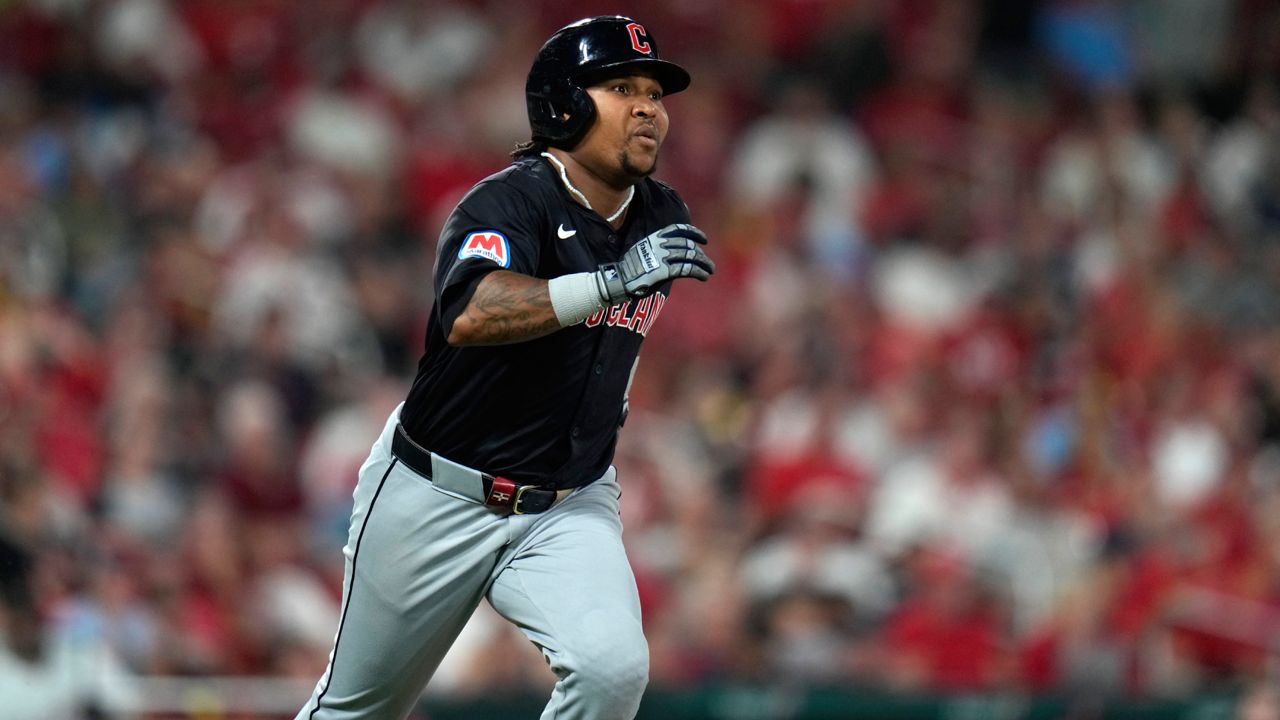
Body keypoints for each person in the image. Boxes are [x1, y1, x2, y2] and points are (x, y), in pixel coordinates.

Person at [296, 15, 714, 720]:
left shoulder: (660, 215)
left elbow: (610, 349)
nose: (649, 106)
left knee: (611, 673)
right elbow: (469, 312)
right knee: (357, 712)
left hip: (568, 501)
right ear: (565, 105)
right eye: (621, 88)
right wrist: (606, 286)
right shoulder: (508, 202)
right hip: (439, 490)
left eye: (655, 92)